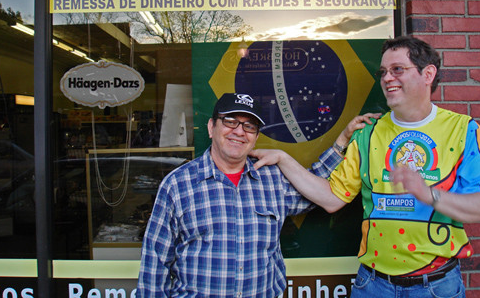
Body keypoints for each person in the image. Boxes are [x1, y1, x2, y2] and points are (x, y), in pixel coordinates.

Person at [251, 36, 480, 298]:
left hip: (436, 286)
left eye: (398, 69)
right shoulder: (368, 133)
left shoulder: (463, 130)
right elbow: (331, 198)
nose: (387, 78)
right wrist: (285, 159)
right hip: (374, 285)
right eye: (383, 72)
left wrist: (428, 194)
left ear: (428, 73)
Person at [136, 92, 377, 297]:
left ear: (256, 137)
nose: (239, 132)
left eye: (249, 126)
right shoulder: (178, 185)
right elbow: (155, 262)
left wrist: (342, 140)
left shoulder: (272, 180)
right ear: (211, 127)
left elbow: (315, 188)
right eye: (230, 121)